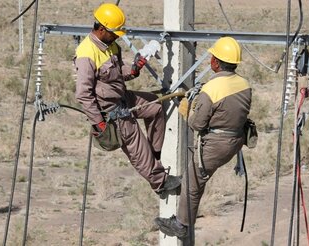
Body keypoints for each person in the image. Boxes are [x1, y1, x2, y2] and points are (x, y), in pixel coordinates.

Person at [74, 3, 180, 197]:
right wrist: (99, 122)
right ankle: (160, 183)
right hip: (110, 109)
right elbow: (83, 94)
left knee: (155, 105)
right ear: (101, 29)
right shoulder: (87, 53)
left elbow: (118, 72)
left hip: (123, 96)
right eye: (114, 32)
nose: (116, 36)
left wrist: (133, 69)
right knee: (135, 143)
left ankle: (154, 154)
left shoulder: (110, 45)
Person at [154, 37, 252, 238]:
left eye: (212, 58)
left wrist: (187, 109)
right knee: (195, 177)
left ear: (215, 62)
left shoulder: (212, 89)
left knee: (192, 184)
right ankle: (184, 206)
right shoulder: (244, 84)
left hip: (217, 144)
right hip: (235, 140)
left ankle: (181, 224)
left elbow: (197, 124)